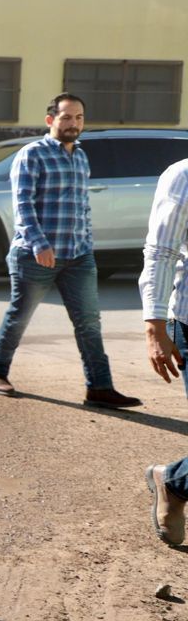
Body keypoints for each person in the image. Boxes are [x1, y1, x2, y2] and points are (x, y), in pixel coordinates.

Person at [0, 94, 139, 408]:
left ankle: (99, 388)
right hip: (35, 254)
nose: (74, 124)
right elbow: (23, 206)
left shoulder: (81, 156)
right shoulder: (32, 155)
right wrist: (40, 244)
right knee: (20, 317)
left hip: (79, 255)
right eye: (67, 117)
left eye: (79, 117)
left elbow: (81, 206)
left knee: (89, 322)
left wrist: (86, 243)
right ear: (50, 120)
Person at [138, 158, 188, 546]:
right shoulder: (182, 175)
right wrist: (155, 326)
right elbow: (160, 250)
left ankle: (173, 479)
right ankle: (173, 484)